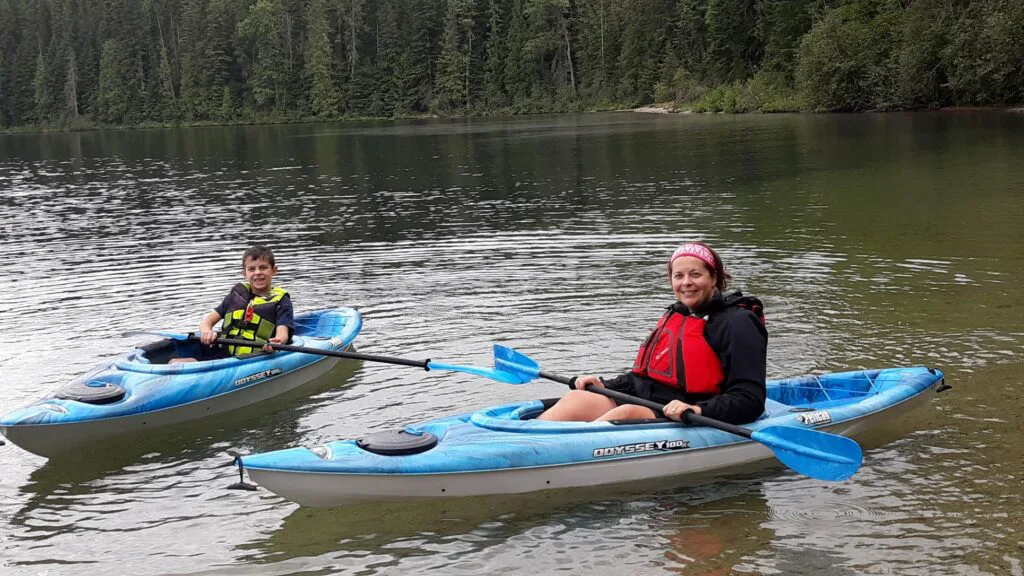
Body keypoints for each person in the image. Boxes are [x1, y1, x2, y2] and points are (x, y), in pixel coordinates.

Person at [537, 241, 767, 425]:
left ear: (714, 278)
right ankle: (524, 438)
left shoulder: (738, 322)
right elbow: (643, 379)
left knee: (627, 413)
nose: (686, 283)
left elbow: (750, 400)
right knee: (579, 398)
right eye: (679, 276)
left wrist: (698, 409)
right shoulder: (678, 316)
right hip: (653, 402)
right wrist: (605, 385)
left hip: (690, 412)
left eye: (695, 274)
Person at [171, 246, 294, 363]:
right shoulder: (235, 296)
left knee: (177, 364)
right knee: (174, 362)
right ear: (244, 273)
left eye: (263, 268)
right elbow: (206, 322)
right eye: (251, 269)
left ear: (274, 271)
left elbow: (282, 335)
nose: (257, 273)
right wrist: (207, 331)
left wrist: (276, 343)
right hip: (223, 354)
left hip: (255, 357)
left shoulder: (282, 301)